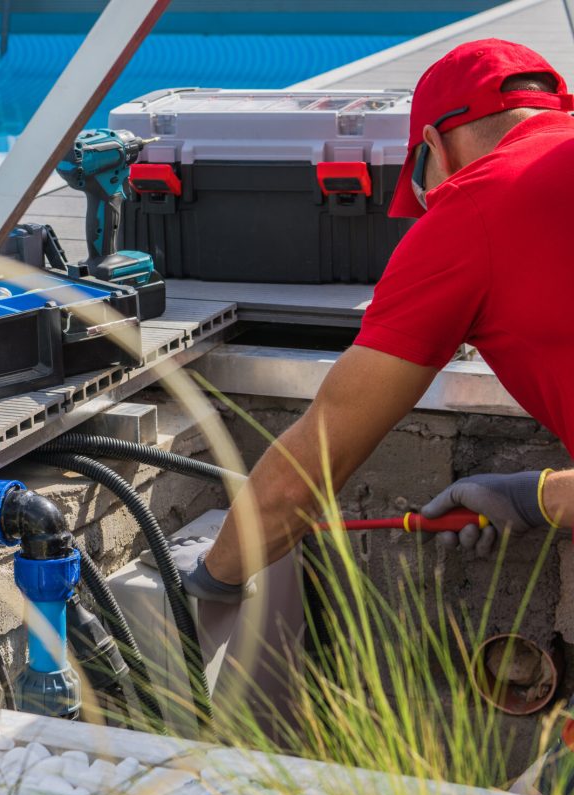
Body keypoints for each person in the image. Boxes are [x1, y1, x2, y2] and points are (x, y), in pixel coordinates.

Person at [172, 38, 574, 603]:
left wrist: (213, 577)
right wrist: (531, 496)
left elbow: (303, 478)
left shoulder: (471, 209)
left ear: (435, 144)